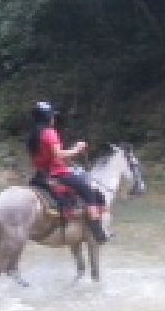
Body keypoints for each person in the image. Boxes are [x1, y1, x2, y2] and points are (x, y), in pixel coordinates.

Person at [27, 101, 109, 244]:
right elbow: (58, 154)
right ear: (47, 117)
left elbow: (46, 157)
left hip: (40, 175)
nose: (54, 118)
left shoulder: (32, 136)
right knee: (88, 190)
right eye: (52, 115)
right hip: (57, 174)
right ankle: (97, 231)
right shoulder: (49, 133)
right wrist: (77, 148)